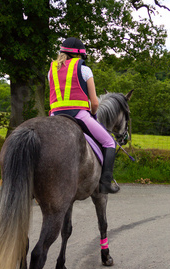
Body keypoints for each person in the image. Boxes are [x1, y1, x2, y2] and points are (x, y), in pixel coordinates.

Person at [48, 37, 119, 194]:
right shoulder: (84, 70)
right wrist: (93, 115)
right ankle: (105, 183)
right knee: (109, 142)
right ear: (79, 55)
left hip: (54, 116)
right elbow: (94, 103)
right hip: (78, 115)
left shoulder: (51, 69)